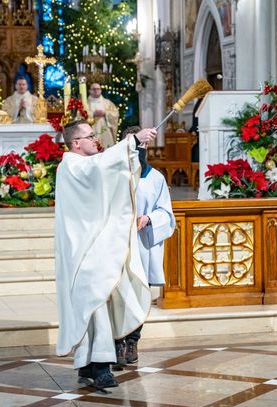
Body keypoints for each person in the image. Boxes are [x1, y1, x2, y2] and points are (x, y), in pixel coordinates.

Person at [55, 120, 157, 389]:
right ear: (76, 143)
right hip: (82, 250)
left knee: (98, 304)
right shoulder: (71, 165)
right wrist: (132, 141)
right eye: (90, 136)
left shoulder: (91, 164)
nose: (95, 139)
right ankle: (100, 367)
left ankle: (90, 365)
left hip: (97, 246)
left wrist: (136, 151)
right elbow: (100, 167)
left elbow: (115, 174)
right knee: (94, 304)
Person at [113, 126, 175, 370]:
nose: (139, 148)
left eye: (142, 144)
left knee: (139, 295)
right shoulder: (115, 174)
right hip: (119, 244)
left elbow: (166, 213)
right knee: (119, 296)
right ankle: (117, 343)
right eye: (134, 143)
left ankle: (133, 342)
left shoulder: (156, 178)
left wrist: (149, 218)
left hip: (143, 244)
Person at [87, 83, 119, 149]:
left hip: (105, 129)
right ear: (89, 91)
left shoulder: (107, 102)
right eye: (94, 89)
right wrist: (93, 114)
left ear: (101, 90)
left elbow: (115, 114)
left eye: (98, 89)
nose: (96, 90)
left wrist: (105, 113)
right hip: (91, 129)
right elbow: (80, 116)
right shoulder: (85, 103)